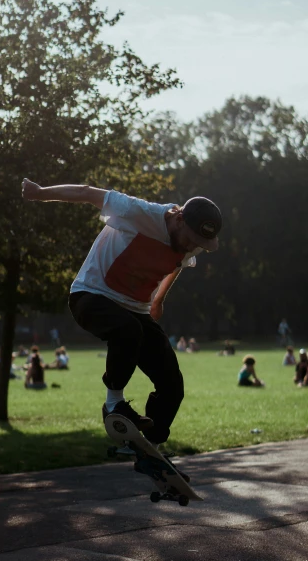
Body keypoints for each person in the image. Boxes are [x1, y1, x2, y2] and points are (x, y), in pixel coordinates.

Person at [22, 177, 222, 449]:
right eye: (191, 239)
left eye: (199, 243)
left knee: (172, 384)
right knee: (129, 330)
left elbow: (178, 264)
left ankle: (151, 448)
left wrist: (159, 299)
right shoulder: (138, 212)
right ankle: (114, 404)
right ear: (178, 220)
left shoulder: (190, 240)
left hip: (135, 309)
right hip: (90, 296)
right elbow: (87, 193)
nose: (192, 246)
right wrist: (40, 193)